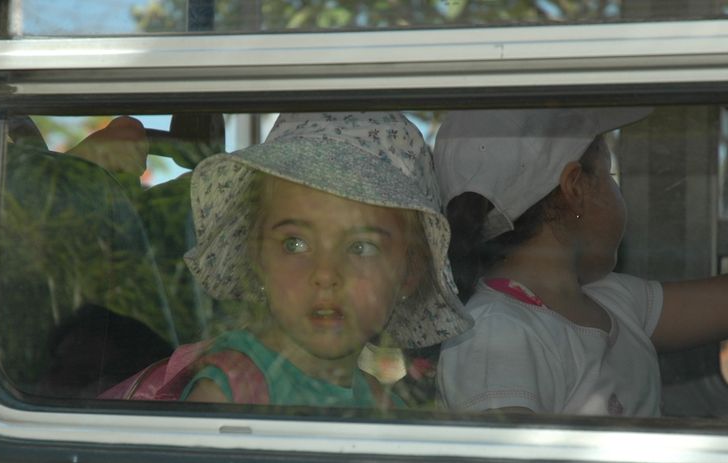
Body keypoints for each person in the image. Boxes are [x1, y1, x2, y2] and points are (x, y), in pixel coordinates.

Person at [104, 111, 471, 407]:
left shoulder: (380, 404)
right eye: (295, 244)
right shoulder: (234, 393)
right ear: (257, 257)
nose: (325, 274)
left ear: (409, 273)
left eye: (361, 247)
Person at [434, 108, 728, 416]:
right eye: (609, 175)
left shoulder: (611, 298)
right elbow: (505, 452)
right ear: (576, 188)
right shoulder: (495, 333)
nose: (617, 188)